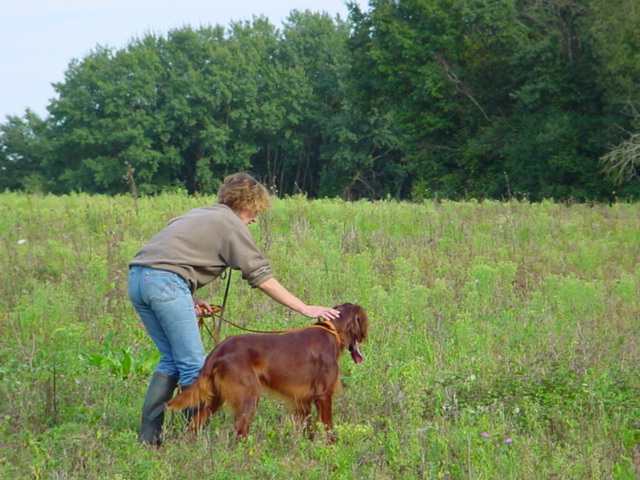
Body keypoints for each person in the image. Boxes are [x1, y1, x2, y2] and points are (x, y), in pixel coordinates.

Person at [128, 172, 340, 445]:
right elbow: (261, 276)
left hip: (138, 279)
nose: (254, 219)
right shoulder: (231, 224)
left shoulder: (199, 214)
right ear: (246, 204)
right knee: (194, 365)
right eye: (255, 212)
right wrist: (305, 308)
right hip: (166, 284)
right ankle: (189, 439)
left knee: (170, 360)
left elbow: (166, 257)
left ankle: (149, 438)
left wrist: (188, 296)